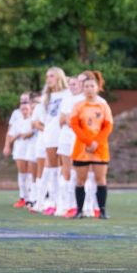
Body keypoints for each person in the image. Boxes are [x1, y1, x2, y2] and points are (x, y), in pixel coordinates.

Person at [70, 71, 114, 219]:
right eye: (86, 86)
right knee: (80, 180)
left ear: (97, 87)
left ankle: (102, 211)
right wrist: (89, 142)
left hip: (99, 148)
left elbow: (108, 126)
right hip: (82, 148)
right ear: (83, 88)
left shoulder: (103, 106)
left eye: (92, 86)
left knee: (101, 179)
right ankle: (79, 210)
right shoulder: (78, 105)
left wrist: (96, 142)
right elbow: (74, 125)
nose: (89, 88)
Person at [35, 67, 69, 216]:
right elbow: (43, 119)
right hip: (49, 135)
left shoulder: (67, 94)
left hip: (63, 135)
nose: (49, 79)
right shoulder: (46, 97)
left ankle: (63, 203)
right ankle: (52, 202)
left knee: (64, 168)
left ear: (59, 77)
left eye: (52, 76)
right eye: (47, 76)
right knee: (52, 169)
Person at [55, 76, 86, 218]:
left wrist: (71, 120)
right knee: (65, 171)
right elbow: (62, 120)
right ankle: (65, 205)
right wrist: (69, 120)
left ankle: (76, 205)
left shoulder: (83, 99)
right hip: (65, 137)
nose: (72, 86)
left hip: (77, 138)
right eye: (70, 84)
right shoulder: (66, 100)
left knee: (76, 171)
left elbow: (79, 120)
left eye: (75, 84)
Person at [6, 92, 35, 208]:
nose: (25, 111)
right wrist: (17, 135)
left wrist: (28, 134)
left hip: (31, 149)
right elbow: (11, 137)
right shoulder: (17, 121)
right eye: (23, 109)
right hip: (20, 150)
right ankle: (23, 197)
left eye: (27, 108)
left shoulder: (33, 120)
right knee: (22, 174)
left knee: (30, 174)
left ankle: (31, 198)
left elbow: (34, 132)